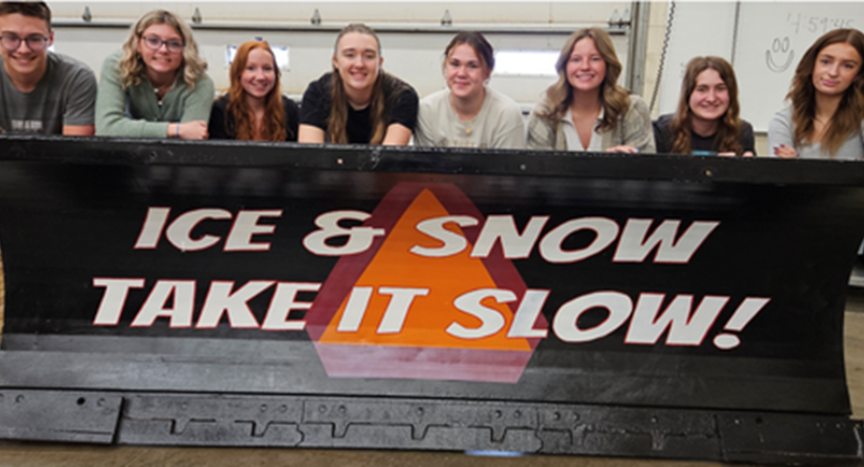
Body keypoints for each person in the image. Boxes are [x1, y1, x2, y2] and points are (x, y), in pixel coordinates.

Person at [526, 28, 654, 153]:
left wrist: (630, 162)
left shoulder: (632, 108)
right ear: (564, 66)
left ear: (608, 64)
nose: (585, 66)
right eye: (576, 59)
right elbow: (536, 169)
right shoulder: (545, 112)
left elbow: (648, 167)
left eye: (595, 59)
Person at [95, 9, 214, 139]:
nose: (163, 50)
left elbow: (191, 138)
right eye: (153, 41)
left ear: (185, 49)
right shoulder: (117, 66)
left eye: (174, 43)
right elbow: (106, 128)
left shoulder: (200, 83)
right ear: (138, 44)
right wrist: (174, 129)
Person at [298, 23, 418, 145]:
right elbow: (311, 158)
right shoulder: (317, 93)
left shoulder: (402, 96)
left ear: (379, 63)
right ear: (336, 61)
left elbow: (389, 159)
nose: (359, 64)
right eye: (350, 55)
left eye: (369, 56)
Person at [414, 31, 525, 149]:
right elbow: (425, 166)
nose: (462, 73)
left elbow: (507, 166)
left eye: (472, 66)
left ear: (488, 72)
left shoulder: (506, 114)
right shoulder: (427, 111)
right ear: (445, 66)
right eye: (455, 64)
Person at [0, 1, 96, 135]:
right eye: (11, 38)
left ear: (50, 38)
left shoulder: (76, 79)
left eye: (35, 38)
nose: (23, 49)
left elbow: (76, 151)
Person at [768, 28, 864, 160]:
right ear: (812, 64)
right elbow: (778, 176)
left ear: (859, 74)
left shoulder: (860, 120)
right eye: (825, 62)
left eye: (847, 66)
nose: (833, 73)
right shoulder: (784, 121)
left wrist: (799, 167)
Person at [653, 56, 755, 156]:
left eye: (720, 88)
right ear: (688, 94)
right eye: (702, 89)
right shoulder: (663, 131)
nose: (711, 98)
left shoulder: (742, 133)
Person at [209, 40, 299, 141]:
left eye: (267, 69)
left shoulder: (289, 110)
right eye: (251, 68)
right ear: (238, 73)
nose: (260, 77)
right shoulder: (220, 112)